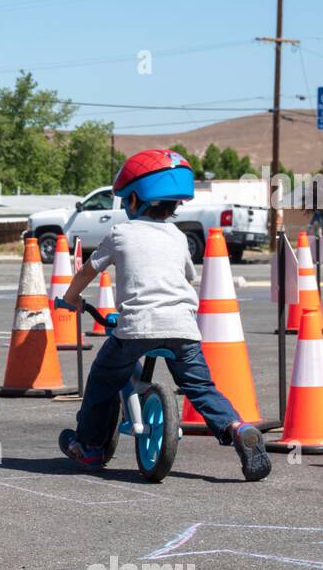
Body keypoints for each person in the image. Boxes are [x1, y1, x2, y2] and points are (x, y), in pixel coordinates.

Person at [57, 149, 271, 481]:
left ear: (133, 201)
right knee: (201, 388)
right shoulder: (178, 236)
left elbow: (87, 272)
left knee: (102, 380)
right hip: (183, 329)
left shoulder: (120, 234)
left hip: (136, 328)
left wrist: (69, 300)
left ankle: (89, 446)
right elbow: (188, 277)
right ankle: (237, 427)